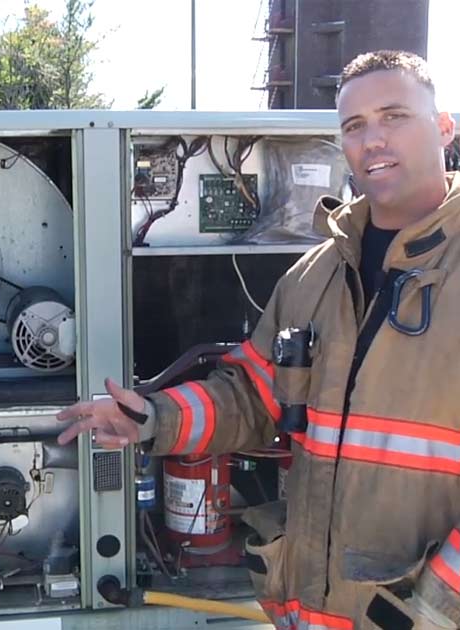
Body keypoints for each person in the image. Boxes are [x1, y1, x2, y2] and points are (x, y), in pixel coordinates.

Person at [59, 50, 460, 630]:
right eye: (354, 126)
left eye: (394, 115)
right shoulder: (312, 277)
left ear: (444, 126)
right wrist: (152, 417)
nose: (373, 139)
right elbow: (252, 396)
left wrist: (434, 611)